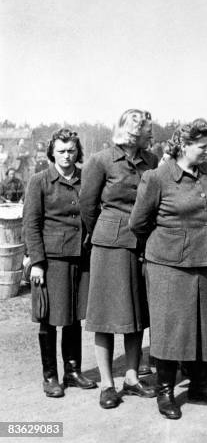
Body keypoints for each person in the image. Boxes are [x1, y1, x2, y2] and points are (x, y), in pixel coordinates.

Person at [130, 119, 207, 419]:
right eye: (202, 147)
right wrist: (169, 243)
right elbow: (138, 223)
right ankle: (165, 391)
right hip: (169, 266)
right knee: (171, 330)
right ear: (184, 145)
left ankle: (200, 385)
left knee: (204, 324)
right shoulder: (157, 177)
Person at [80, 109, 158, 409]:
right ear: (133, 131)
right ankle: (106, 384)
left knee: (137, 313)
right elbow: (88, 206)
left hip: (143, 243)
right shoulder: (101, 160)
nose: (152, 135)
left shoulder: (151, 161)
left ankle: (131, 377)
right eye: (148, 130)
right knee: (105, 315)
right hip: (110, 245)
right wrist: (105, 230)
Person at [23, 128, 97, 398]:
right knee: (49, 318)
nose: (67, 156)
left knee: (74, 317)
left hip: (81, 256)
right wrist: (38, 262)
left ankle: (73, 371)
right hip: (52, 260)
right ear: (52, 153)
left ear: (78, 152)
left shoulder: (85, 180)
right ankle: (50, 375)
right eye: (62, 151)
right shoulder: (39, 181)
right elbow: (31, 224)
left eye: (71, 151)